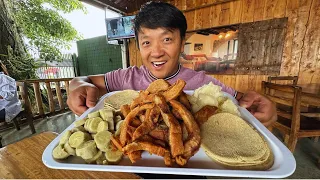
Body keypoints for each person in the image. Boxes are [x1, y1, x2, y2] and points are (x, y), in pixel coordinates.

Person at [67, 1, 277, 127]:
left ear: (182, 41)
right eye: (147, 42)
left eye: (167, 39)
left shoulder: (203, 83)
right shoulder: (126, 77)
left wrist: (263, 108)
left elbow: (241, 100)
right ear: (139, 46)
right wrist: (77, 85)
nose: (156, 52)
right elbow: (83, 80)